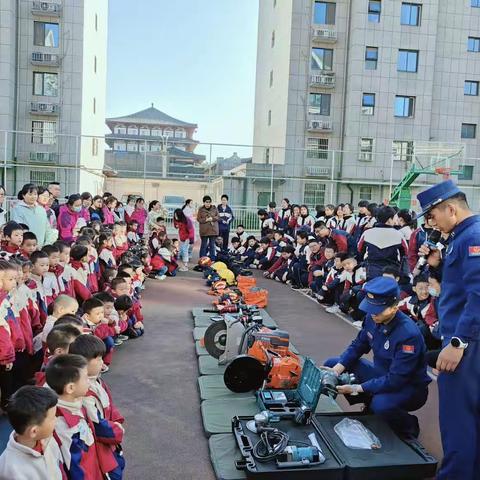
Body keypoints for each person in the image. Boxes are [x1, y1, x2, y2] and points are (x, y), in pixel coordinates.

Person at [416, 180, 480, 479]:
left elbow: (478, 293)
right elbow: (458, 286)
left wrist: (458, 342)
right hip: (466, 338)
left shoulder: (472, 237)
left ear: (450, 209)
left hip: (467, 342)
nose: (431, 223)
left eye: (432, 216)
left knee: (458, 419)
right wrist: (436, 266)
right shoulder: (461, 235)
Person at [323, 276, 430, 438]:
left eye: (378, 310)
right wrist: (336, 371)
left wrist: (356, 388)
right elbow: (358, 346)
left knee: (381, 404)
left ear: (394, 307)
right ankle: (370, 405)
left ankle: (408, 425)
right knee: (333, 364)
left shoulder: (408, 335)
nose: (373, 314)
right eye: (370, 308)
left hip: (408, 387)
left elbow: (396, 379)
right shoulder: (372, 318)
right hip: (382, 374)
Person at [45, 354, 103, 479]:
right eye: (86, 378)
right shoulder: (65, 426)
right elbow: (77, 469)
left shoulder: (76, 404)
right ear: (71, 388)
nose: (89, 381)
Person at [0, 385, 66, 479]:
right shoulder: (11, 471)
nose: (56, 419)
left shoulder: (48, 439)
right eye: (52, 418)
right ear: (34, 431)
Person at [357, 206, 407, 280]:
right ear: (389, 220)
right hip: (392, 273)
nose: (396, 220)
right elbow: (406, 252)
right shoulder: (399, 235)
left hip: (371, 271)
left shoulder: (367, 233)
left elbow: (359, 249)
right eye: (395, 217)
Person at [11, 184, 58, 248]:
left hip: (40, 246)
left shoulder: (41, 210)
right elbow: (19, 228)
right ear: (23, 195)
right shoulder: (17, 209)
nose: (33, 197)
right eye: (30, 194)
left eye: (35, 194)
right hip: (24, 246)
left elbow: (47, 228)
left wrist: (46, 244)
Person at [197, 195, 219, 260]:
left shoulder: (214, 208)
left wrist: (212, 218)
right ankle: (202, 259)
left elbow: (218, 217)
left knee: (212, 245)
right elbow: (198, 219)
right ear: (204, 202)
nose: (208, 203)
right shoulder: (201, 209)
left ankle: (212, 259)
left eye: (209, 202)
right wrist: (206, 220)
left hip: (213, 230)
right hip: (204, 230)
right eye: (206, 202)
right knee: (204, 245)